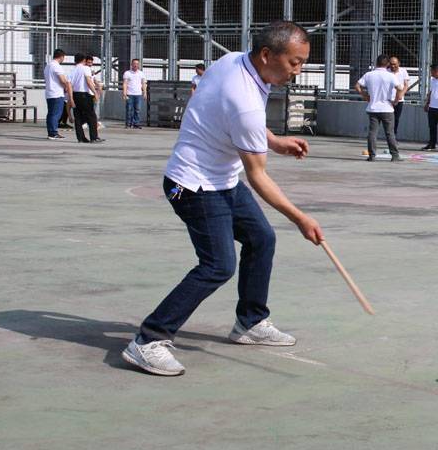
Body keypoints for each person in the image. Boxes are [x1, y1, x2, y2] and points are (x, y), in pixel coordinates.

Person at [123, 21, 323, 377]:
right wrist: (300, 218)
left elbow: (225, 117)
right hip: (193, 185)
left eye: (302, 62)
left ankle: (250, 322)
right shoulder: (244, 99)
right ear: (267, 55)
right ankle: (148, 340)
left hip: (221, 180)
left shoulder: (233, 61)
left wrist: (273, 141)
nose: (298, 70)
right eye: (294, 62)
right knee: (218, 266)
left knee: (261, 238)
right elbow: (258, 176)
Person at [356, 54, 404, 162]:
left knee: (372, 132)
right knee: (389, 133)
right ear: (387, 64)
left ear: (376, 63)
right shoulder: (390, 76)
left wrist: (365, 96)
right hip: (387, 108)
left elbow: (357, 86)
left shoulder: (369, 75)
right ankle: (395, 155)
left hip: (373, 108)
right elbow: (400, 88)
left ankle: (372, 155)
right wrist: (396, 100)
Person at [69, 53, 102, 143]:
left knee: (78, 117)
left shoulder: (73, 70)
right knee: (91, 116)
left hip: (76, 94)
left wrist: (71, 98)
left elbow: (69, 85)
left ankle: (80, 138)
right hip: (84, 94)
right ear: (83, 60)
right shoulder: (85, 68)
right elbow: (88, 81)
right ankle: (94, 137)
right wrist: (95, 92)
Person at [43, 49, 73, 140]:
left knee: (51, 113)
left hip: (49, 93)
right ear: (61, 57)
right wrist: (67, 87)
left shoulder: (48, 66)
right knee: (56, 114)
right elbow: (63, 79)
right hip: (56, 93)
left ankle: (51, 132)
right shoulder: (57, 66)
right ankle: (53, 133)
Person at [122, 59, 147, 129]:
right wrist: (124, 93)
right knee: (129, 109)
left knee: (137, 110)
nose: (135, 65)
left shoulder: (141, 73)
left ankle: (136, 123)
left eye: (137, 64)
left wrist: (144, 93)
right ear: (131, 64)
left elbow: (143, 83)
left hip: (138, 94)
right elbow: (125, 83)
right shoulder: (127, 73)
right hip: (129, 93)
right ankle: (128, 124)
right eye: (134, 64)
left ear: (138, 65)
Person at [388, 56, 410, 135]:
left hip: (399, 100)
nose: (393, 66)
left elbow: (406, 85)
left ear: (398, 63)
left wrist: (401, 95)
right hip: (389, 100)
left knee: (396, 119)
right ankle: (390, 137)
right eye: (391, 64)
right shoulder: (387, 72)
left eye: (394, 64)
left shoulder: (403, 71)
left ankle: (394, 136)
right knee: (388, 120)